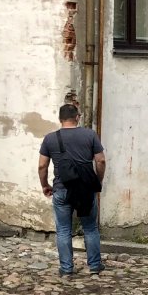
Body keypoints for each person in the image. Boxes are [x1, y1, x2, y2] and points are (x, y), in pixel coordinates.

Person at [38, 104, 107, 278]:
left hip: (61, 189)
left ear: (60, 119)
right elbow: (101, 161)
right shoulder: (90, 135)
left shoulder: (50, 139)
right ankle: (94, 266)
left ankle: (66, 269)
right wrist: (97, 181)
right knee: (90, 228)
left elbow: (42, 166)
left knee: (63, 230)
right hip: (85, 189)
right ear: (77, 117)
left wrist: (45, 185)